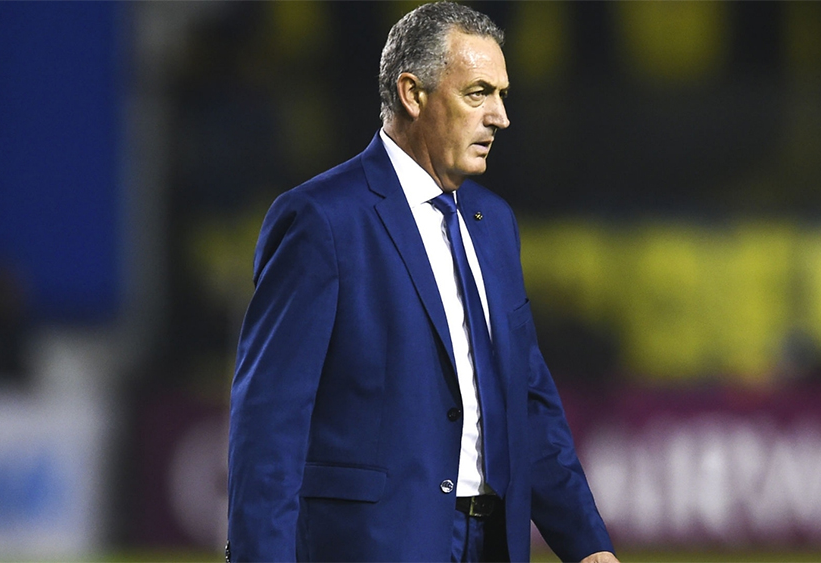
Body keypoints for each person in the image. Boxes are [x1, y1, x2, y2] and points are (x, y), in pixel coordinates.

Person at [227, 3, 618, 562]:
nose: (501, 116)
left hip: (494, 546)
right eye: (479, 93)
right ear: (412, 94)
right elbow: (270, 422)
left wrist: (588, 547)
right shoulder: (323, 220)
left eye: (502, 94)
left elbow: (528, 404)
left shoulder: (495, 223)